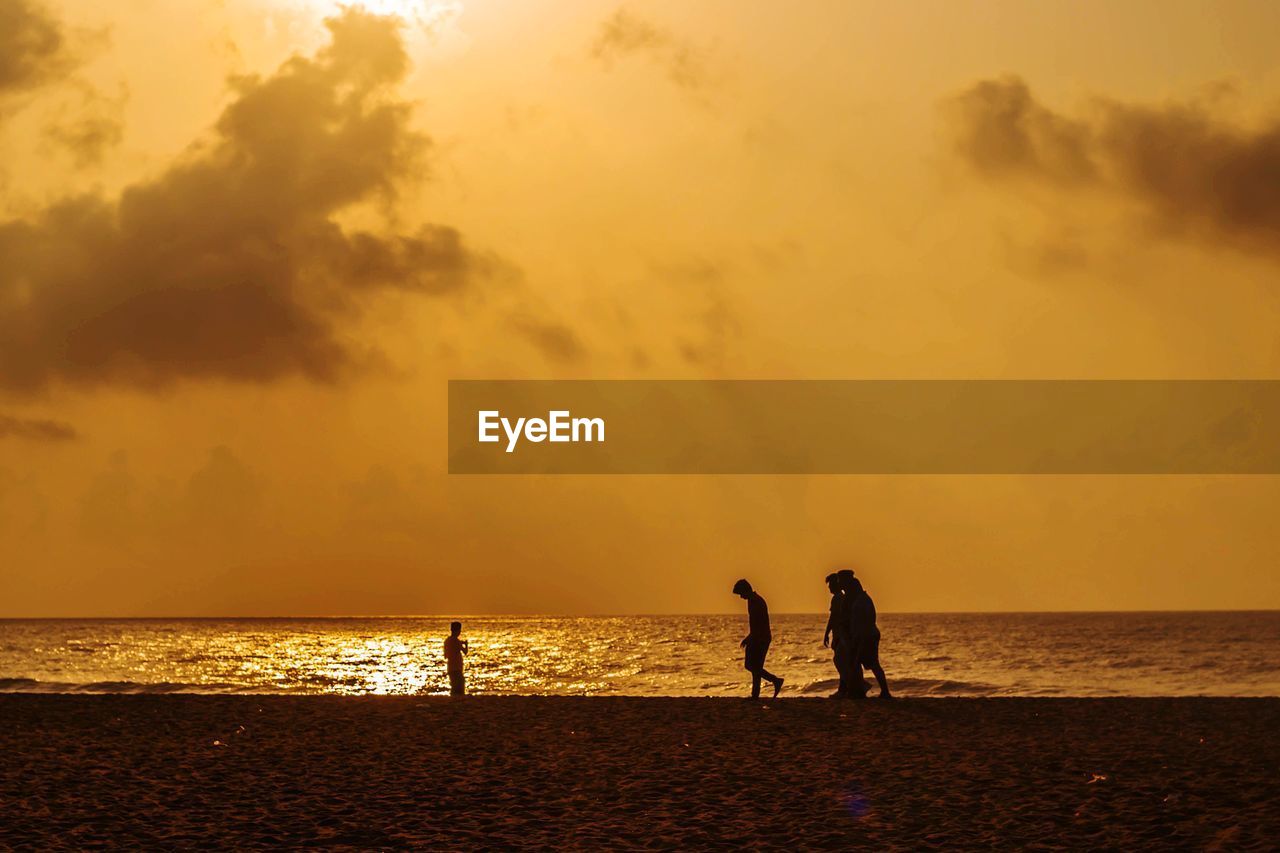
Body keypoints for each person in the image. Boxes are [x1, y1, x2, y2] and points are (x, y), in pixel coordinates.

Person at [732, 579, 784, 699]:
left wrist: (750, 638)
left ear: (745, 590)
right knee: (756, 667)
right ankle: (755, 695)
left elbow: (758, 624)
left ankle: (775, 681)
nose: (741, 597)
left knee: (751, 666)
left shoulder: (755, 602)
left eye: (741, 593)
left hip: (760, 638)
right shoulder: (752, 600)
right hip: (759, 637)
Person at [846, 578, 892, 699]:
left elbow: (864, 622)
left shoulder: (862, 601)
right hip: (865, 635)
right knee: (862, 663)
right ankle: (861, 689)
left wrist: (859, 639)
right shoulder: (861, 600)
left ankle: (884, 691)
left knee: (872, 664)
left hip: (866, 636)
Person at [822, 572, 851, 698]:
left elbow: (833, 618)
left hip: (840, 635)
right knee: (843, 661)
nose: (829, 588)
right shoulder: (843, 598)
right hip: (841, 634)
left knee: (840, 661)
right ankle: (844, 688)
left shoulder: (837, 598)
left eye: (830, 585)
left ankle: (843, 689)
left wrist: (826, 633)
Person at [444, 621, 468, 696]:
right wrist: (466, 645)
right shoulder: (456, 641)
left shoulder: (447, 641)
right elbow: (465, 652)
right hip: (457, 667)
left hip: (450, 667)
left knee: (454, 686)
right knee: (459, 687)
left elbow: (446, 655)